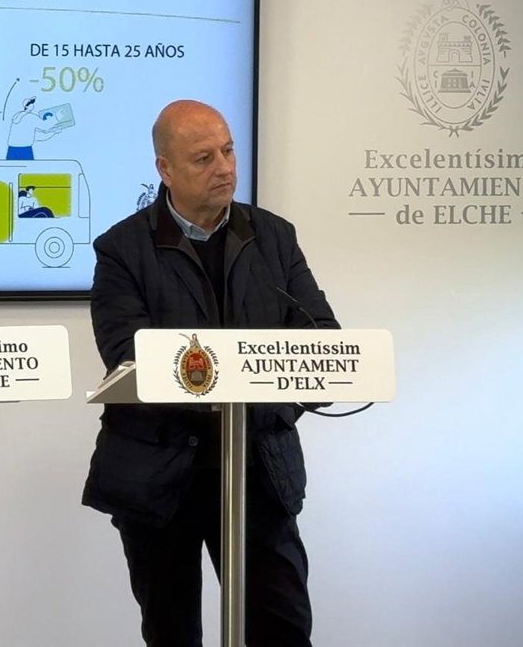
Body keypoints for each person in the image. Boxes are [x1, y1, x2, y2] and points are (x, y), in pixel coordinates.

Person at [84, 100, 338, 647]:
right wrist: (236, 379)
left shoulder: (274, 237)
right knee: (172, 632)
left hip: (257, 467)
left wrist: (268, 398)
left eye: (228, 151)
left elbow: (319, 334)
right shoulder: (121, 249)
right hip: (160, 473)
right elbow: (127, 353)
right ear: (165, 169)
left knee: (284, 628)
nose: (224, 168)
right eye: (204, 158)